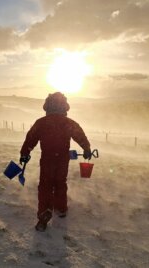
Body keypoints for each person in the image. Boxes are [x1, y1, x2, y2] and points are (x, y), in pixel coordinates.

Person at [20, 92, 92, 232]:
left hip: (47, 158)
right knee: (60, 183)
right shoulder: (69, 123)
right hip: (62, 159)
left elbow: (30, 139)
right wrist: (86, 148)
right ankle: (61, 209)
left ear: (47, 106)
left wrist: (25, 153)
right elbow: (80, 135)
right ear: (65, 107)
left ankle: (44, 211)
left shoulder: (41, 123)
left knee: (45, 184)